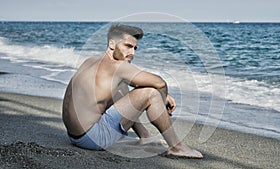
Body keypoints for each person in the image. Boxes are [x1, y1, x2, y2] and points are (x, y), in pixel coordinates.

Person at [62, 24, 203, 158]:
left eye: (135, 48)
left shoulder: (90, 61)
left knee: (123, 88)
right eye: (128, 46)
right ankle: (177, 146)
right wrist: (163, 99)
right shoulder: (119, 67)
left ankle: (145, 136)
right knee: (151, 94)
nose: (132, 53)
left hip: (73, 135)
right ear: (112, 44)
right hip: (93, 138)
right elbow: (160, 83)